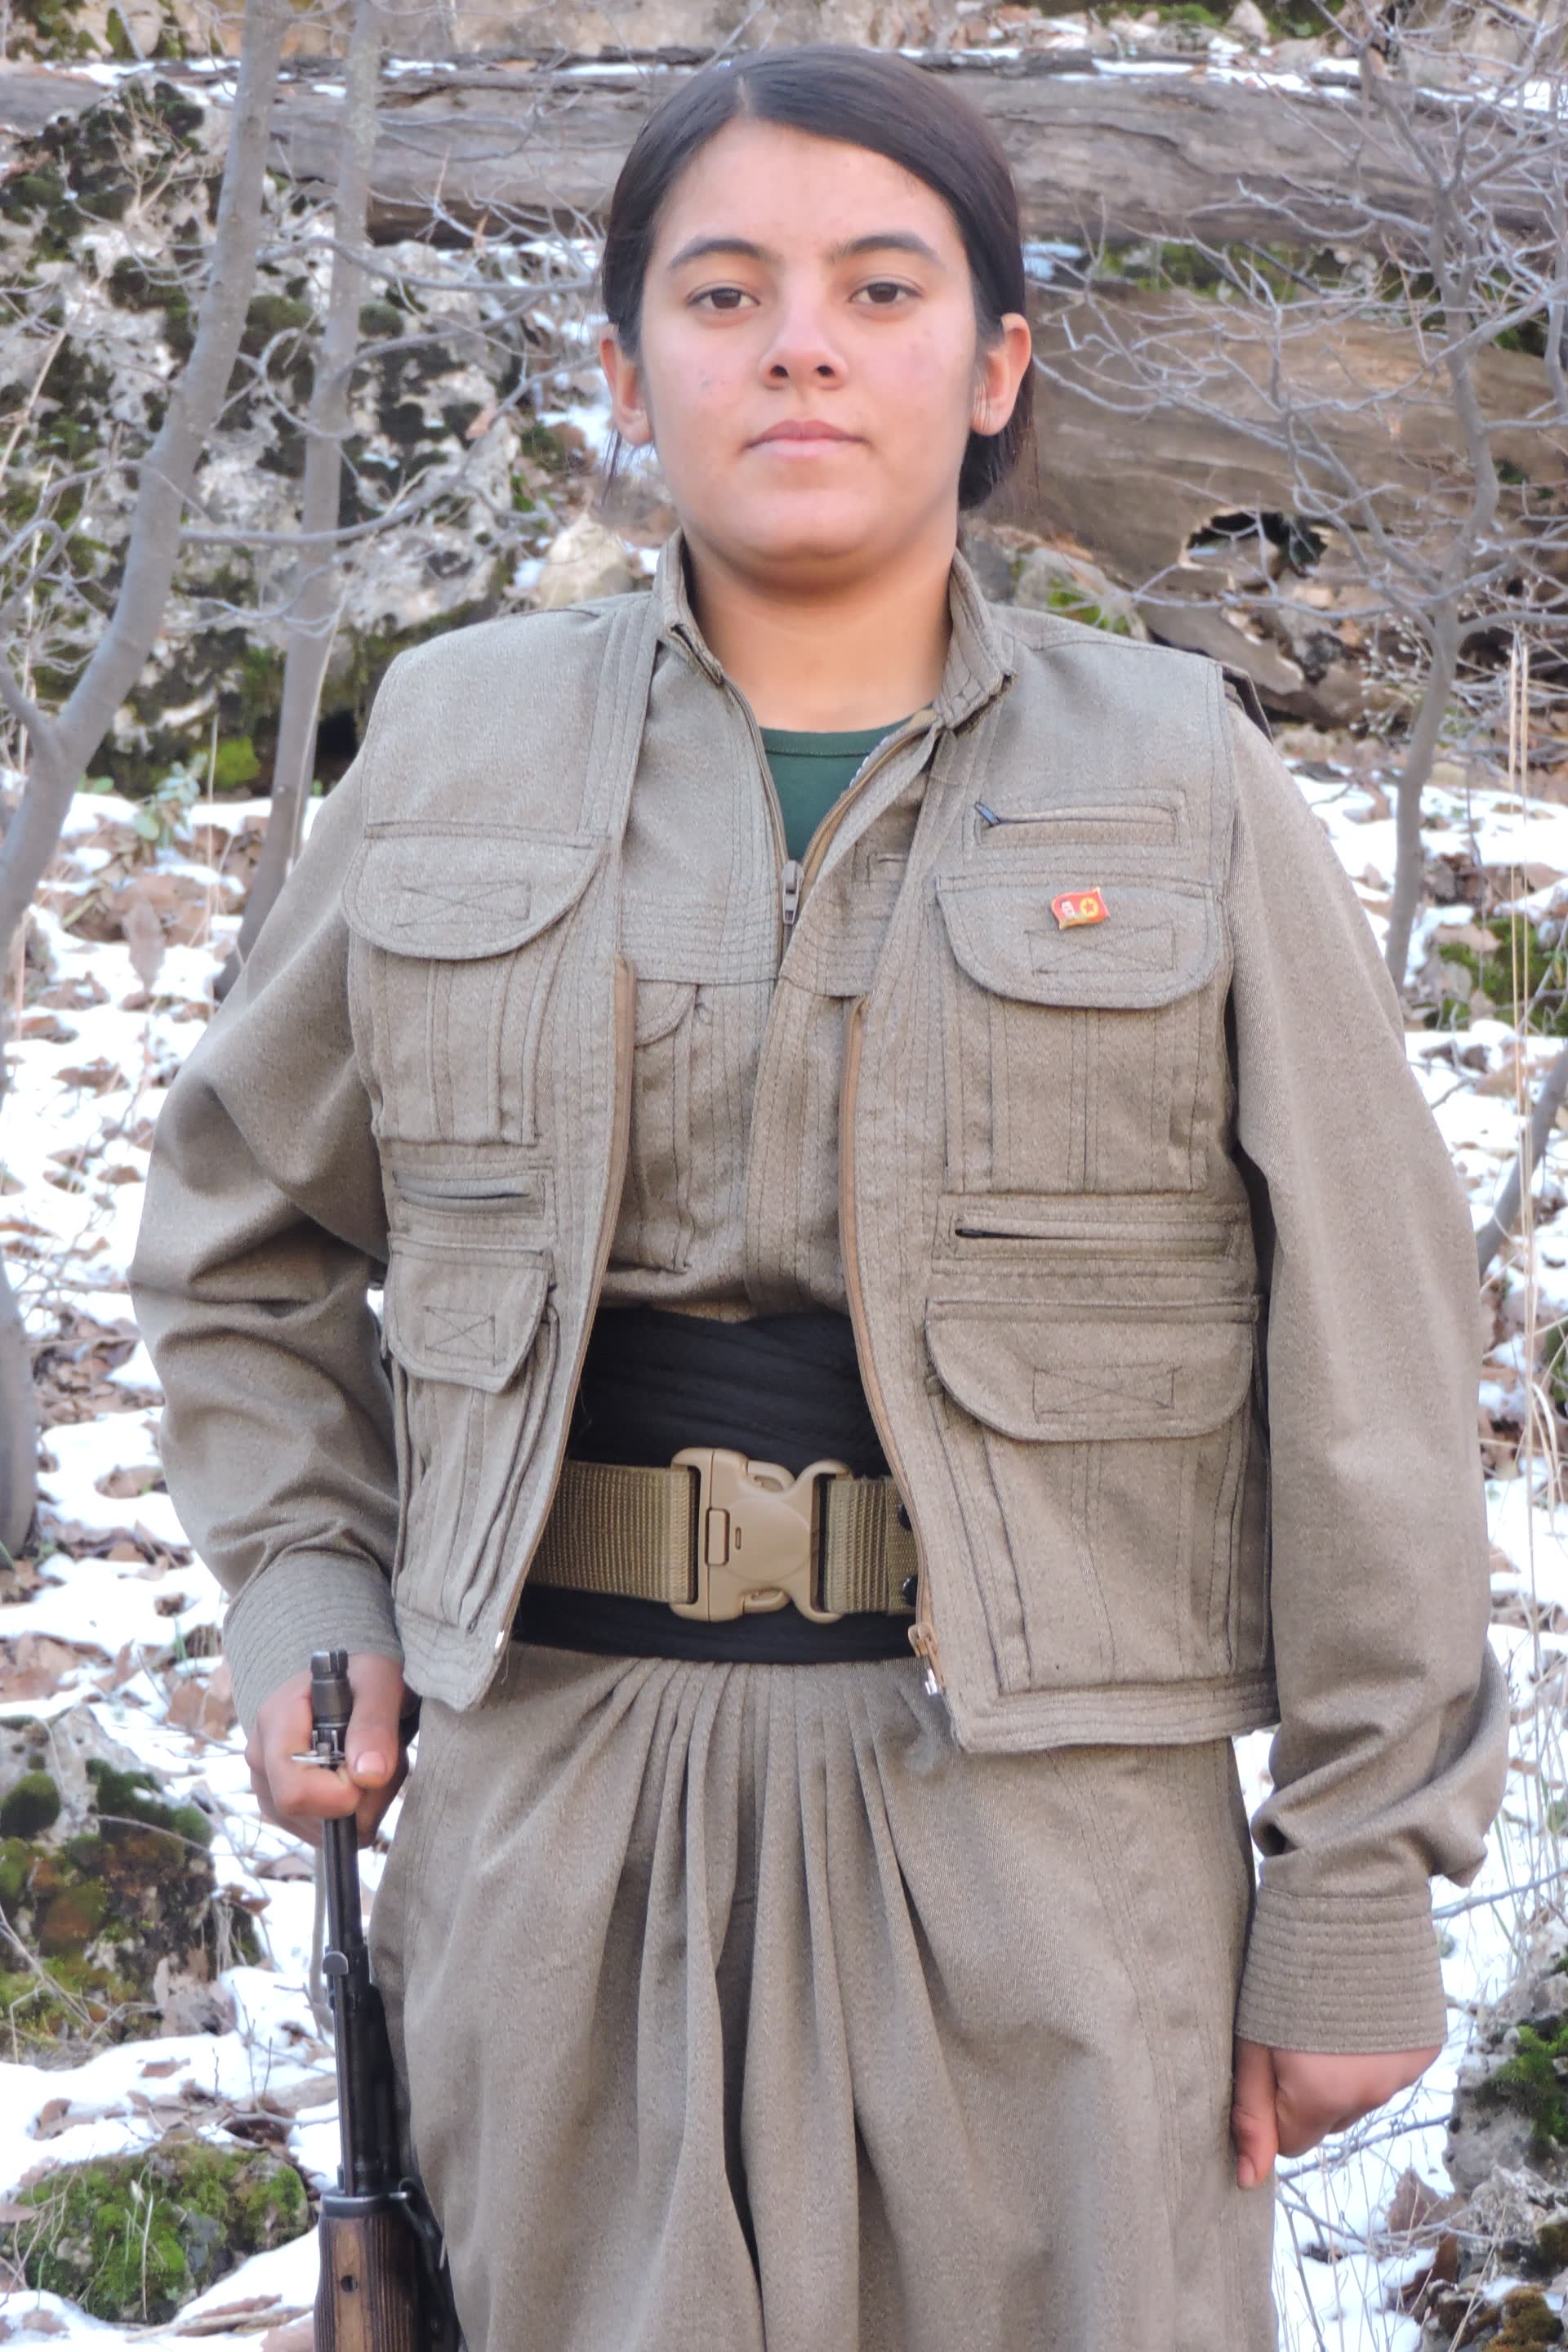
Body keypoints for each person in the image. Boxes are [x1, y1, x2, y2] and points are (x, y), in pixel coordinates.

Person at [130, 44, 1507, 2352]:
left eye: (881, 289)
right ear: (621, 371)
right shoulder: (453, 743)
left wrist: (1361, 1880)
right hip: (560, 1823)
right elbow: (240, 1248)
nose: (799, 347)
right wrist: (303, 1584)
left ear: (997, 367)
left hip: (1056, 1853)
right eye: (722, 293)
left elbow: (1376, 1350)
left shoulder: (1180, 777)